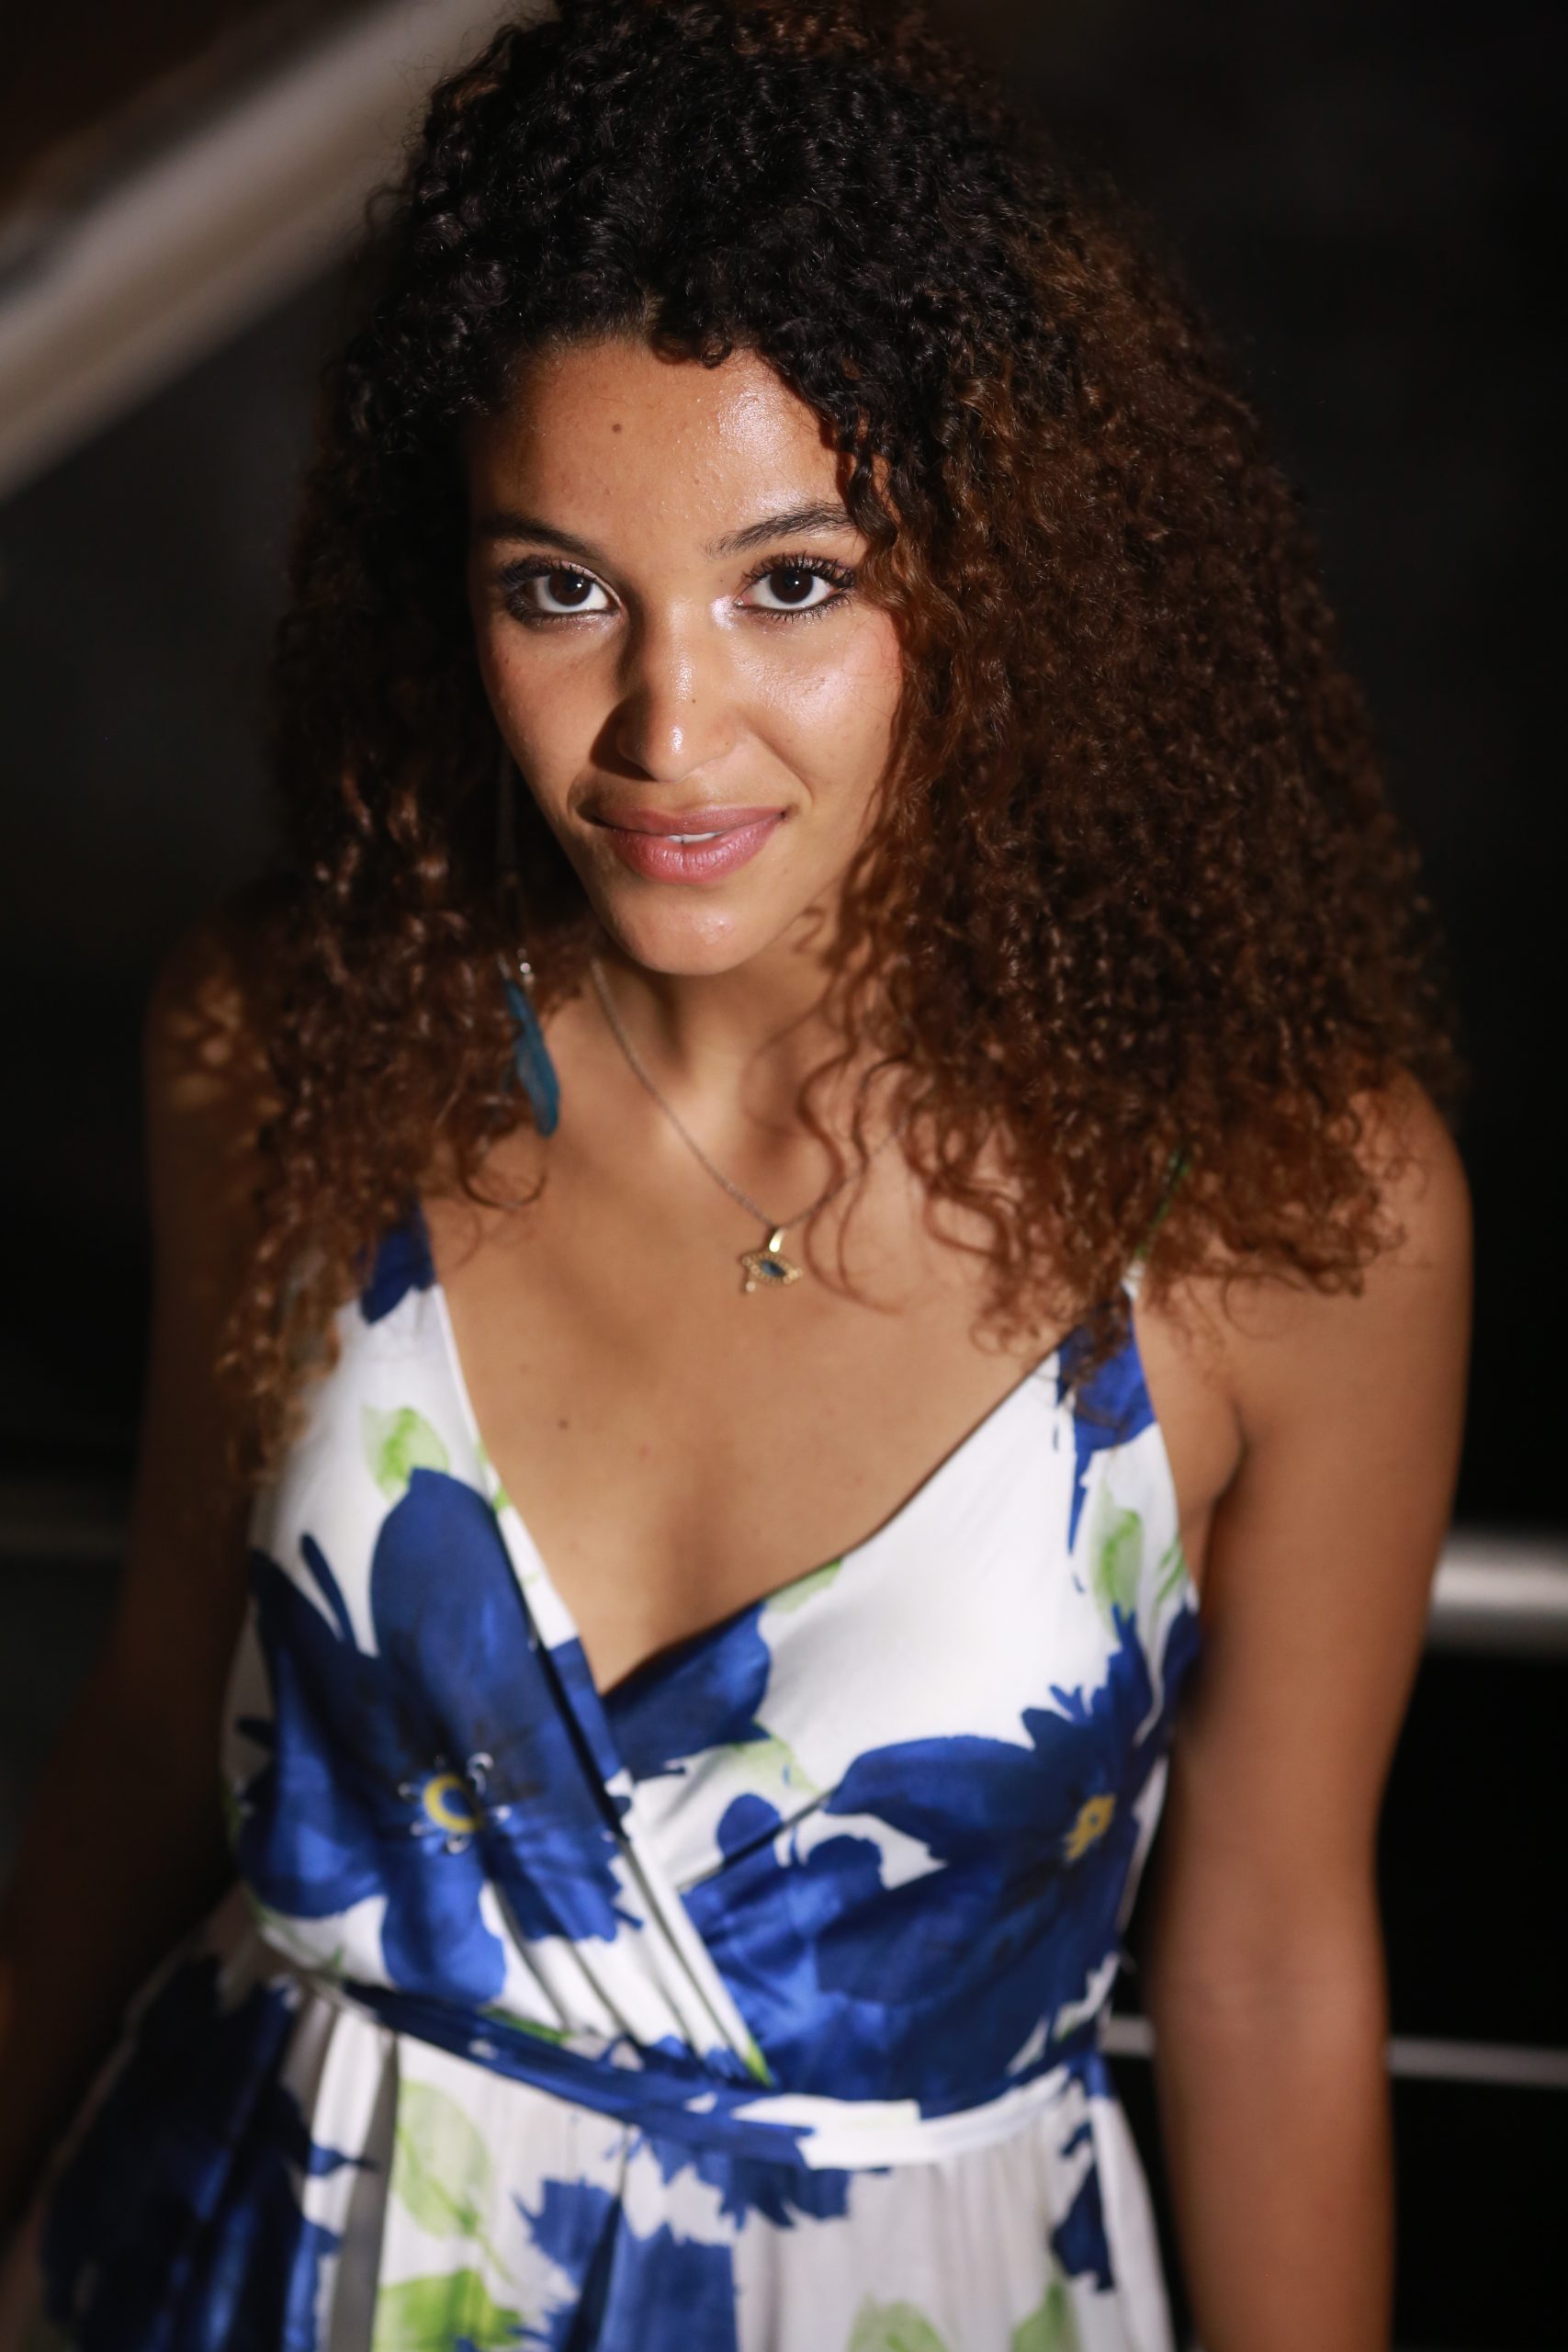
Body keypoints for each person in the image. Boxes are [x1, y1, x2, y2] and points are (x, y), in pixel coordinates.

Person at [0, 2, 1472, 2346]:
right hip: (234, 2259)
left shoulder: (1278, 1206)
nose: (666, 730)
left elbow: (1272, 1957)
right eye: (558, 587)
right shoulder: (293, 1042)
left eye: (791, 583)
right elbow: (156, 1721)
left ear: (990, 577)